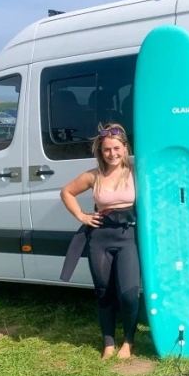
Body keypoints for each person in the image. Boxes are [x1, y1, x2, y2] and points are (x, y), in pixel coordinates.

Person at [60, 123, 140, 360]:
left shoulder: (137, 171)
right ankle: (108, 343)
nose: (112, 154)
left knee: (129, 293)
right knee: (104, 292)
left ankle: (128, 341)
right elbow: (66, 192)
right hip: (100, 238)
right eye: (106, 150)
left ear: (125, 148)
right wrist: (82, 216)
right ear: (100, 152)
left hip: (128, 237)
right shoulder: (93, 175)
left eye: (116, 148)